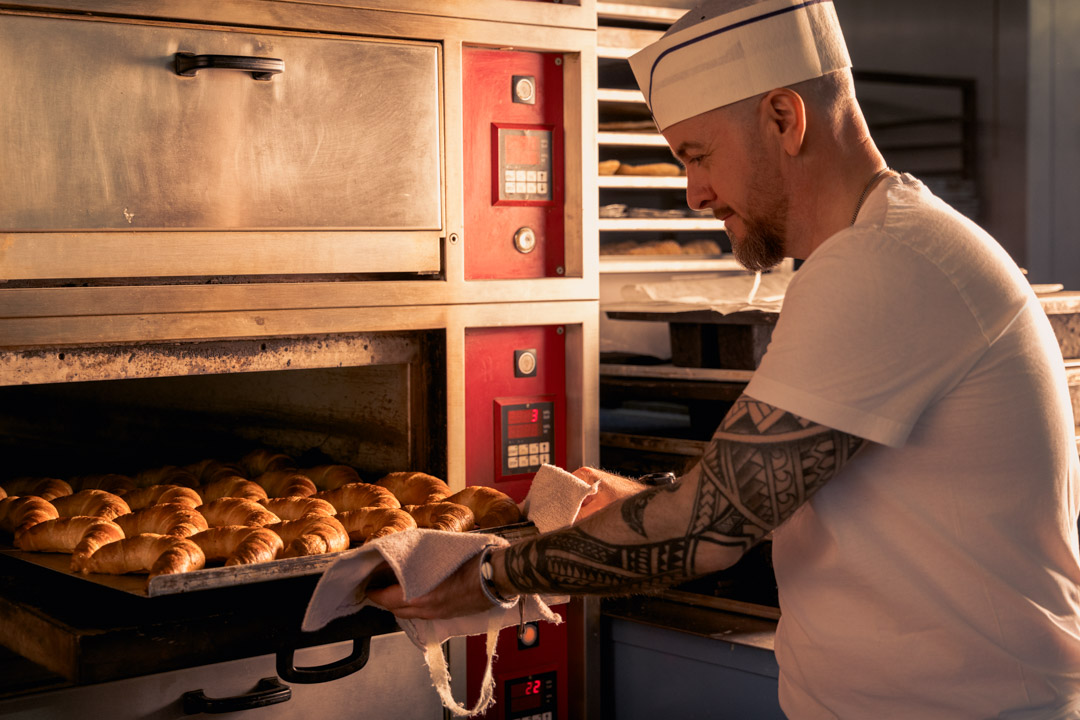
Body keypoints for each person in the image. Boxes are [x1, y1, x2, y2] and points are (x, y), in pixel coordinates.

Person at [370, 0, 1080, 716]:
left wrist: (489, 577)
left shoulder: (886, 260)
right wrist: (658, 502)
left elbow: (711, 532)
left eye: (698, 156)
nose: (695, 192)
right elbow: (772, 481)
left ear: (783, 117)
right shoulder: (878, 246)